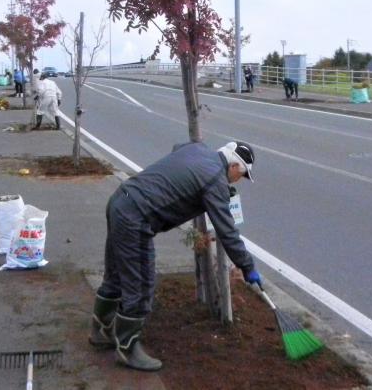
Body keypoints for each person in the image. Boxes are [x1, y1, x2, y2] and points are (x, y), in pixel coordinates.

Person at [89, 141, 261, 371]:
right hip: (137, 219)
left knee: (116, 275)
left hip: (120, 200)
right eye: (241, 175)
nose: (239, 180)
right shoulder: (215, 181)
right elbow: (227, 232)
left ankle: (101, 331)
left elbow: (177, 149)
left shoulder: (198, 149)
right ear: (233, 166)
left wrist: (194, 185)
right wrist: (247, 267)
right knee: (141, 285)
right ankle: (127, 349)